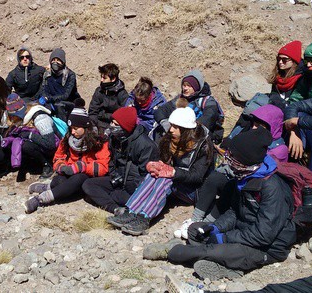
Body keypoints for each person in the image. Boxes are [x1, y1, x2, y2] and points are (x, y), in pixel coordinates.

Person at [151, 128, 296, 281]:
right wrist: (216, 228)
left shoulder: (273, 189)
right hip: (243, 232)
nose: (229, 162)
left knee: (219, 249)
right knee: (196, 231)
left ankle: (174, 251)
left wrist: (224, 238)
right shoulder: (244, 177)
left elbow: (263, 236)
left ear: (246, 161)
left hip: (268, 247)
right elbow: (234, 212)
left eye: (234, 159)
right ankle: (225, 264)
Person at [173, 104, 289, 240]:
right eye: (254, 124)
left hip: (254, 189)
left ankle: (206, 223)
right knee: (215, 178)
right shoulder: (250, 136)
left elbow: (260, 170)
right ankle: (196, 219)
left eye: (259, 126)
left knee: (231, 190)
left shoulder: (279, 149)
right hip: (241, 176)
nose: (253, 128)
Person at [106, 107, 214, 236]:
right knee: (156, 174)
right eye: (171, 125)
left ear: (186, 130)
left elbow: (197, 176)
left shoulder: (203, 145)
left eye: (175, 127)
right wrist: (156, 166)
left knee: (165, 178)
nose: (171, 129)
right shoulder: (171, 139)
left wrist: (173, 172)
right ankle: (131, 211)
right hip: (178, 180)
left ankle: (144, 218)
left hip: (194, 190)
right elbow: (164, 162)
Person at [23, 104, 110, 214]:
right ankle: (48, 187)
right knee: (60, 180)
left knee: (80, 178)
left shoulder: (99, 141)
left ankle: (41, 199)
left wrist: (80, 167)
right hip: (70, 174)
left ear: (85, 127)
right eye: (71, 128)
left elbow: (104, 166)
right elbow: (58, 157)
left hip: (89, 178)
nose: (73, 132)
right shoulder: (68, 138)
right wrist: (61, 166)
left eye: (76, 128)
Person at [82, 107, 159, 214]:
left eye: (116, 124)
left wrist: (130, 185)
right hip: (118, 180)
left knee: (107, 195)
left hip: (134, 187)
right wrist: (114, 176)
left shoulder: (146, 146)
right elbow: (112, 162)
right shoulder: (115, 138)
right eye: (112, 122)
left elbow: (146, 177)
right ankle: (115, 209)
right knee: (88, 184)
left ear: (125, 127)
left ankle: (111, 201)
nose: (111, 126)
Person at [154, 70, 224, 144]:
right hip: (181, 133)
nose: (185, 88)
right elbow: (161, 110)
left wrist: (184, 131)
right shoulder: (180, 99)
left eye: (189, 86)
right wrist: (165, 123)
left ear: (196, 87)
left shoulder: (208, 101)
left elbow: (208, 119)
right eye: (184, 85)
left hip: (200, 134)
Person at [0, 96, 60, 179]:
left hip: (54, 147)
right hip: (41, 143)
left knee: (26, 146)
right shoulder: (23, 117)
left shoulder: (40, 118)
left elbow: (50, 144)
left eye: (12, 116)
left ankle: (47, 164)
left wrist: (29, 135)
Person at [39, 47, 80, 121]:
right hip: (52, 102)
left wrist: (49, 99)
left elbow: (66, 95)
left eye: (58, 60)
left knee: (59, 105)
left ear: (63, 62)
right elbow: (44, 90)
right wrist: (45, 97)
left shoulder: (70, 75)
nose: (55, 62)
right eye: (53, 60)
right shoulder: (47, 74)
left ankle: (64, 130)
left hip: (68, 103)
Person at [88, 63, 129, 133]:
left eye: (104, 78)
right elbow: (92, 112)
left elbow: (123, 116)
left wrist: (104, 115)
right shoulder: (99, 91)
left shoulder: (122, 94)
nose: (101, 80)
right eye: (101, 77)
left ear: (113, 79)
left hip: (114, 127)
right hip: (98, 126)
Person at [267, 40, 302, 105]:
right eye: (279, 59)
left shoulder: (301, 78)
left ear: (294, 61)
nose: (280, 62)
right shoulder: (278, 75)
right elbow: (273, 93)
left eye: (284, 60)